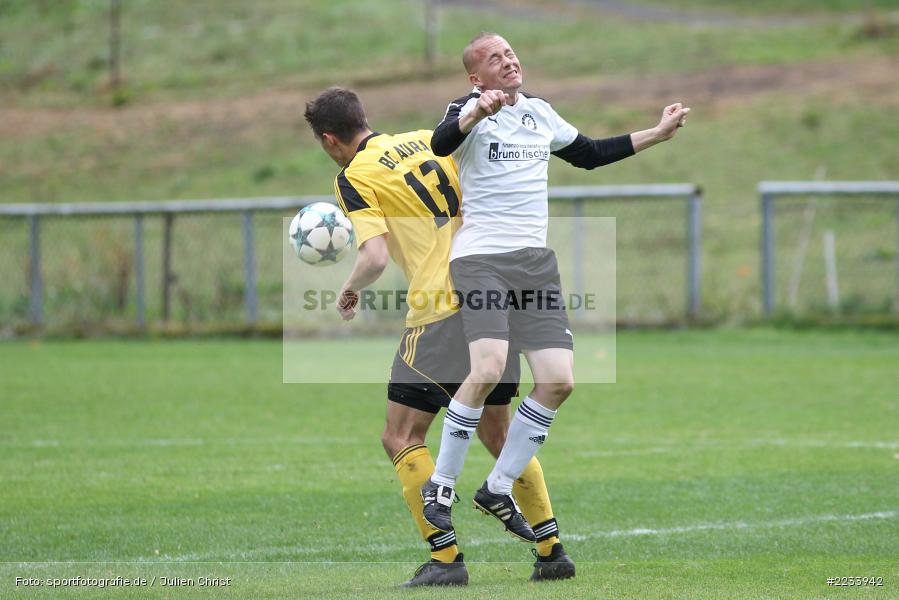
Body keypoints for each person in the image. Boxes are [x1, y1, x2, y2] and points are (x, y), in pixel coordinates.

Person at [421, 32, 691, 566]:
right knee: (490, 366)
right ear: (477, 77)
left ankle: (497, 488)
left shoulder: (540, 113)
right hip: (480, 260)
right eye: (495, 58)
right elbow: (440, 142)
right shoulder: (467, 110)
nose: (509, 60)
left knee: (560, 380)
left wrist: (657, 135)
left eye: (511, 53)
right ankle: (441, 486)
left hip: (534, 266)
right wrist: (476, 112)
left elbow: (589, 154)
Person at [303, 86, 574, 586]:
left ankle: (445, 559)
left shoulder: (354, 177)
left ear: (328, 139)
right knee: (498, 431)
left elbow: (376, 256)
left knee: (400, 435)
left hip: (440, 306)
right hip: (494, 289)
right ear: (365, 117)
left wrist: (348, 288)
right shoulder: (431, 139)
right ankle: (551, 549)